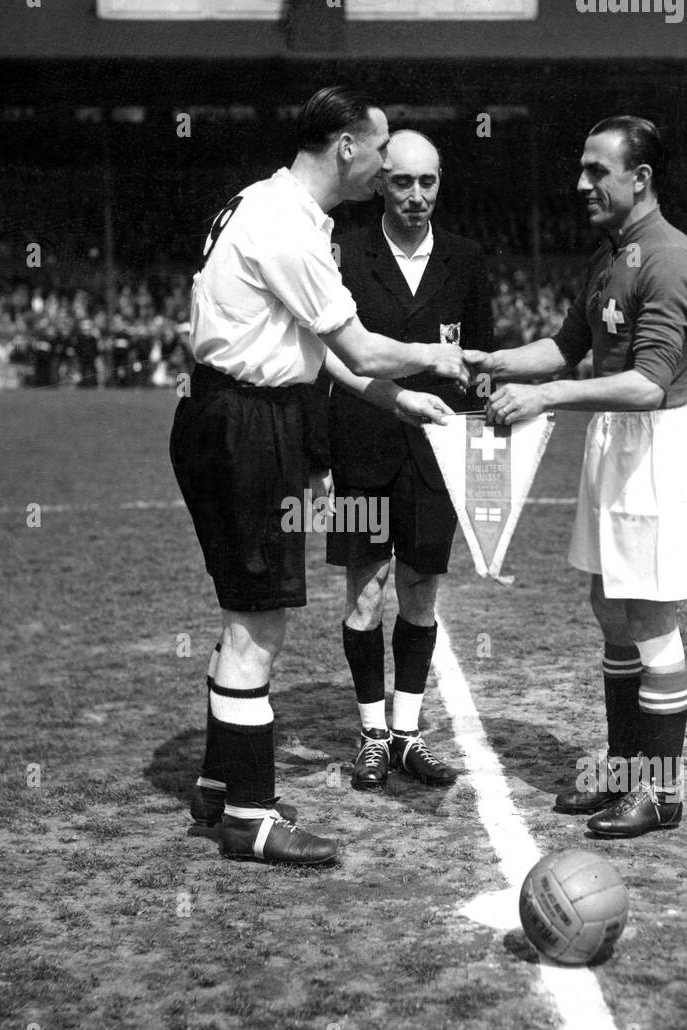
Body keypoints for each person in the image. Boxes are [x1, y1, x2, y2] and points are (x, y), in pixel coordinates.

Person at [169, 87, 469, 866]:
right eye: (378, 152)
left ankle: (218, 784)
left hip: (225, 416)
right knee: (257, 624)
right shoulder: (288, 226)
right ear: (345, 146)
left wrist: (398, 402)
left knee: (244, 613)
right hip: (248, 424)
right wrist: (438, 359)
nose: (383, 167)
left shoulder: (265, 205)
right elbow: (361, 346)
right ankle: (252, 817)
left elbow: (331, 353)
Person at [465, 116, 687, 838]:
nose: (581, 183)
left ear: (641, 178)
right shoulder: (611, 255)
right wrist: (488, 362)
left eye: (597, 170)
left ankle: (661, 791)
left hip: (654, 446)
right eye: (580, 167)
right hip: (611, 439)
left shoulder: (670, 257)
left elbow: (648, 384)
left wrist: (544, 399)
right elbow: (566, 346)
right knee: (609, 607)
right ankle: (623, 772)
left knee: (650, 616)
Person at [316, 130, 493, 792]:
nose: (417, 196)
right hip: (361, 444)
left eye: (429, 182)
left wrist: (487, 456)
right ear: (379, 183)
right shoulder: (345, 254)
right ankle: (370, 733)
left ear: (441, 182)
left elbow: (480, 362)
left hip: (438, 454)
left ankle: (409, 731)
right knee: (365, 591)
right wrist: (320, 455)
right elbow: (323, 358)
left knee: (420, 591)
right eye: (401, 182)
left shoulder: (467, 259)